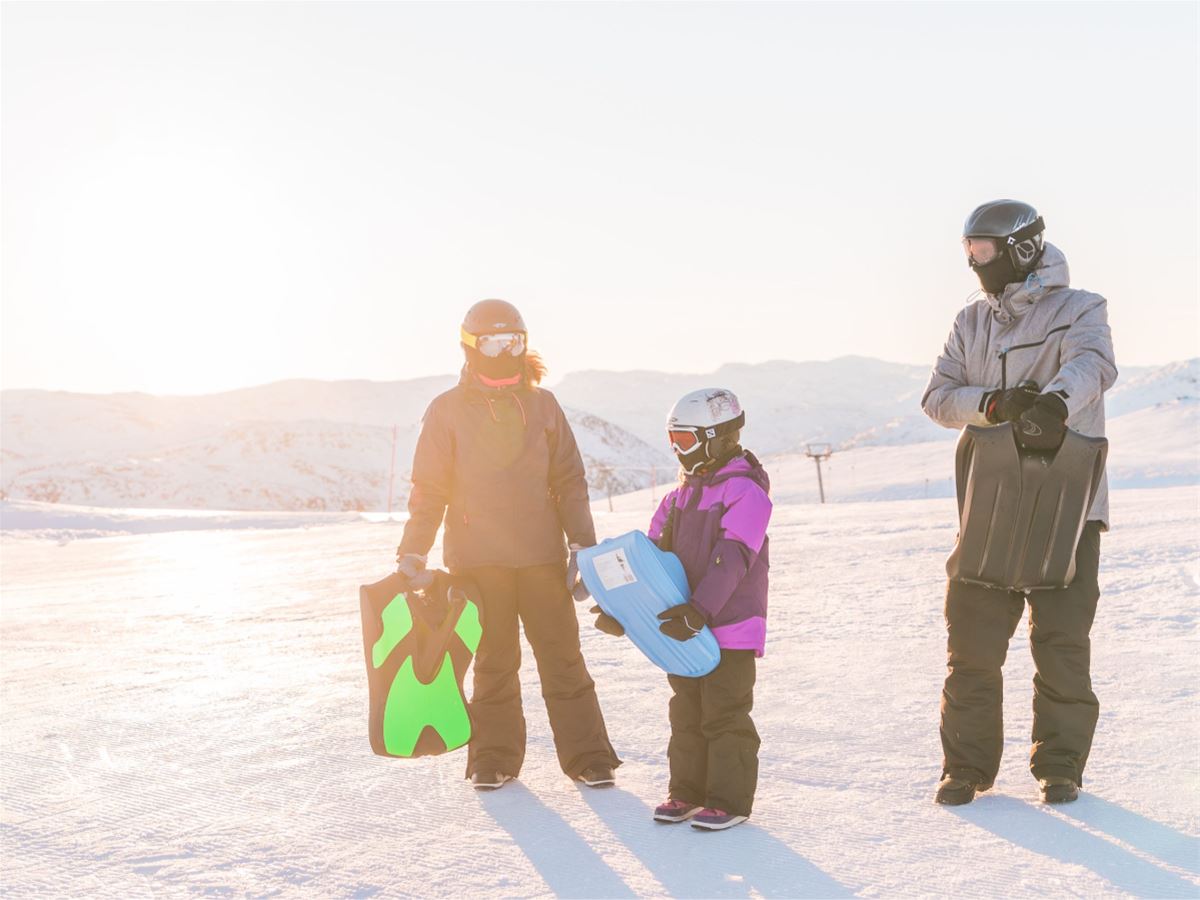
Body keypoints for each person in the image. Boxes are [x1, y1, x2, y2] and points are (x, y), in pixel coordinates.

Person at [922, 200, 1117, 806]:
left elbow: (1094, 364)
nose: (976, 261)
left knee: (1061, 645)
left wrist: (1055, 403)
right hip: (991, 504)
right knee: (972, 646)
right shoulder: (970, 322)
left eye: (984, 249)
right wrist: (995, 405)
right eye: (969, 250)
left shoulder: (1081, 308)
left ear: (1022, 249)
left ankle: (1060, 766)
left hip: (1067, 506)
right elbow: (937, 396)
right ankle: (966, 768)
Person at [394, 299, 621, 791]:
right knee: (494, 662)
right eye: (494, 342)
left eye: (514, 341)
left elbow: (569, 480)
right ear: (472, 347)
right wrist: (414, 549)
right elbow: (429, 488)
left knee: (562, 659)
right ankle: (492, 759)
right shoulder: (447, 411)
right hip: (478, 561)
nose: (506, 351)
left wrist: (583, 544)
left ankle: (589, 757)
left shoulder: (543, 405)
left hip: (542, 557)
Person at [592, 388, 771, 831]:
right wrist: (624, 611)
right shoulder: (678, 497)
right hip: (683, 625)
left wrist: (700, 609)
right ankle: (687, 792)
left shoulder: (747, 492)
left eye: (686, 440)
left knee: (724, 712)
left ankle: (728, 800)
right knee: (686, 710)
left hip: (728, 624)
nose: (676, 450)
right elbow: (646, 560)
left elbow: (733, 558)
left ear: (718, 437)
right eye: (672, 439)